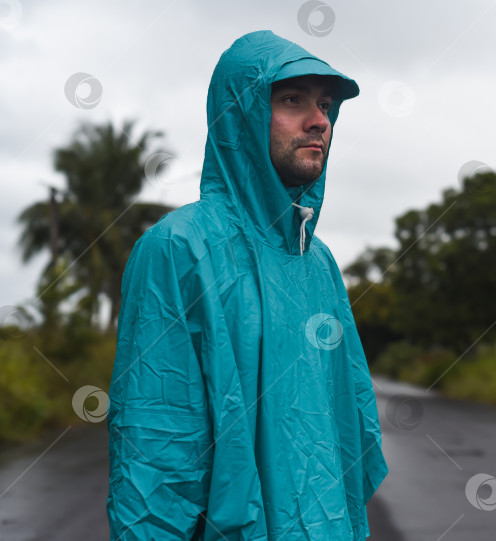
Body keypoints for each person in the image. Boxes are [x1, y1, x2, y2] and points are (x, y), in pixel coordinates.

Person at [106, 30, 388, 540]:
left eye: (325, 104)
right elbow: (155, 456)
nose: (319, 119)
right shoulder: (179, 249)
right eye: (291, 99)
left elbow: (352, 432)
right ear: (242, 113)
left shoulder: (316, 261)